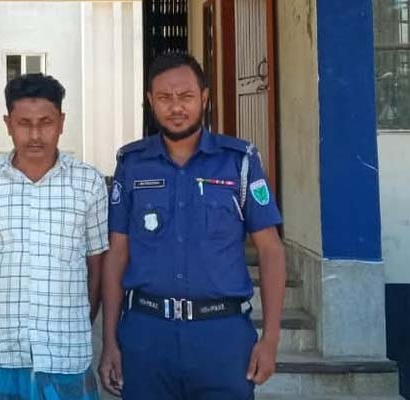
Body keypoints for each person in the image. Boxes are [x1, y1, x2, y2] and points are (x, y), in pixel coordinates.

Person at [98, 52, 286, 399]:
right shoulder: (132, 164)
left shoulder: (239, 162)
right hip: (147, 335)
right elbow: (117, 254)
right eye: (164, 98)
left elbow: (271, 249)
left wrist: (271, 339)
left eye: (185, 96)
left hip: (222, 337)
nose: (176, 107)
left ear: (204, 97)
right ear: (151, 101)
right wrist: (109, 341)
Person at [0, 73, 108, 400]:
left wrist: (76, 320)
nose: (35, 135)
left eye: (46, 122)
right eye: (24, 123)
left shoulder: (88, 183)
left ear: (61, 122)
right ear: (8, 124)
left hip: (66, 350)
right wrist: (1, 314)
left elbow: (97, 268)